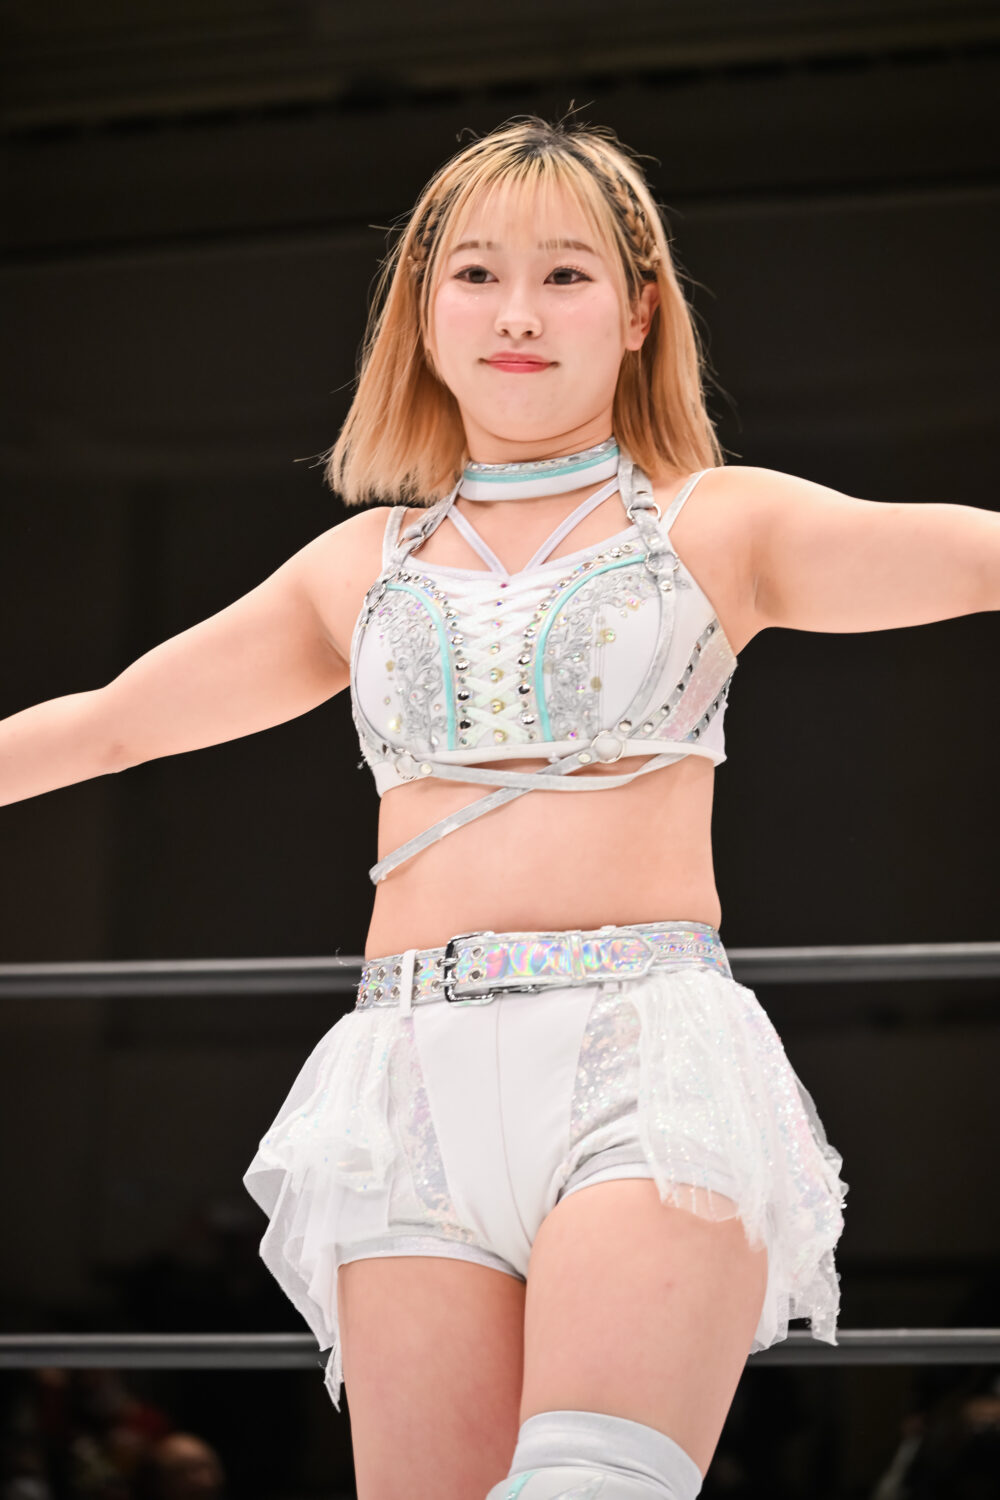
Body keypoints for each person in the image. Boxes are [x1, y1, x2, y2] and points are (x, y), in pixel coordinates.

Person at [2, 115, 997, 1500]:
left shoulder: (722, 525)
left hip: (638, 1059)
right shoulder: (358, 565)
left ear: (640, 312)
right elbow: (110, 724)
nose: (517, 313)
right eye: (475, 274)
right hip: (406, 1078)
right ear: (422, 311)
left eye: (566, 275)